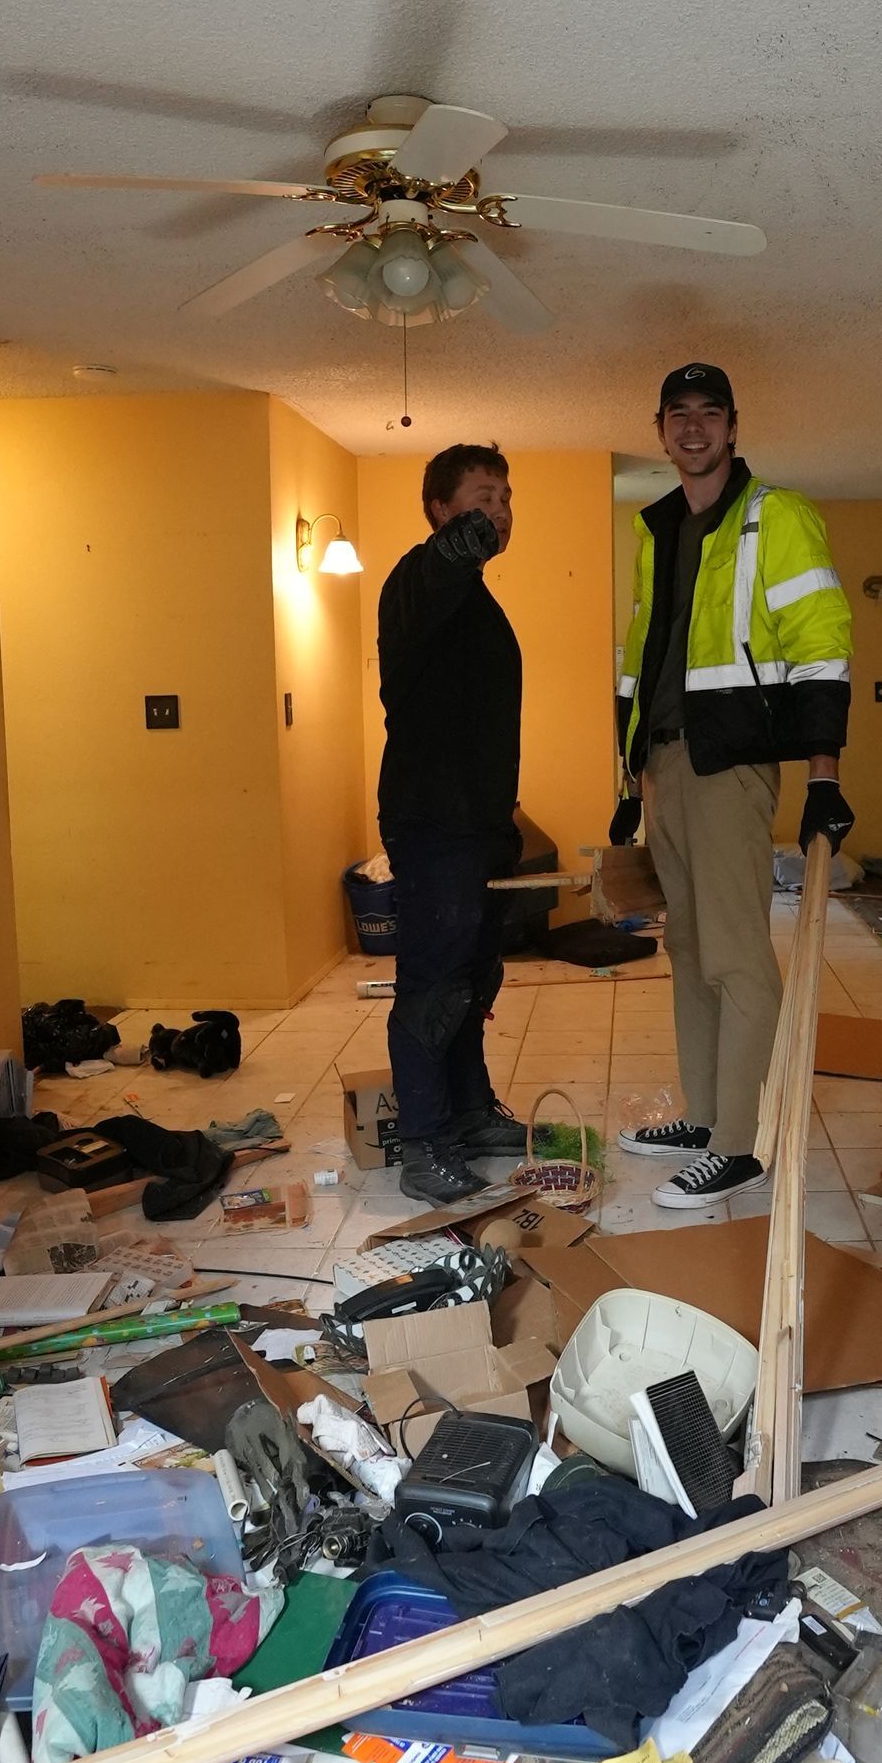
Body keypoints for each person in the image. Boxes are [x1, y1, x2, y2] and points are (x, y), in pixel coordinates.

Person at [612, 363, 855, 1207]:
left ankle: (738, 1146)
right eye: (678, 416)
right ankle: (705, 1113)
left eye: (708, 415)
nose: (693, 430)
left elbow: (822, 645)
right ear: (661, 429)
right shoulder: (658, 530)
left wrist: (824, 777)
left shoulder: (772, 517)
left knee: (737, 957)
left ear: (732, 428)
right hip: (667, 766)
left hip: (730, 762)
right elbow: (643, 658)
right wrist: (628, 770)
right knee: (685, 951)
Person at [376, 442, 529, 1205]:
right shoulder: (419, 578)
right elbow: (442, 564)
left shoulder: (475, 601)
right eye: (480, 495)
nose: (498, 509)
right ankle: (425, 1144)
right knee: (432, 986)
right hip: (433, 821)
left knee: (472, 979)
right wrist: (464, 538)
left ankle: (469, 1113)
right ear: (439, 508)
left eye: (504, 497)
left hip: (478, 823)